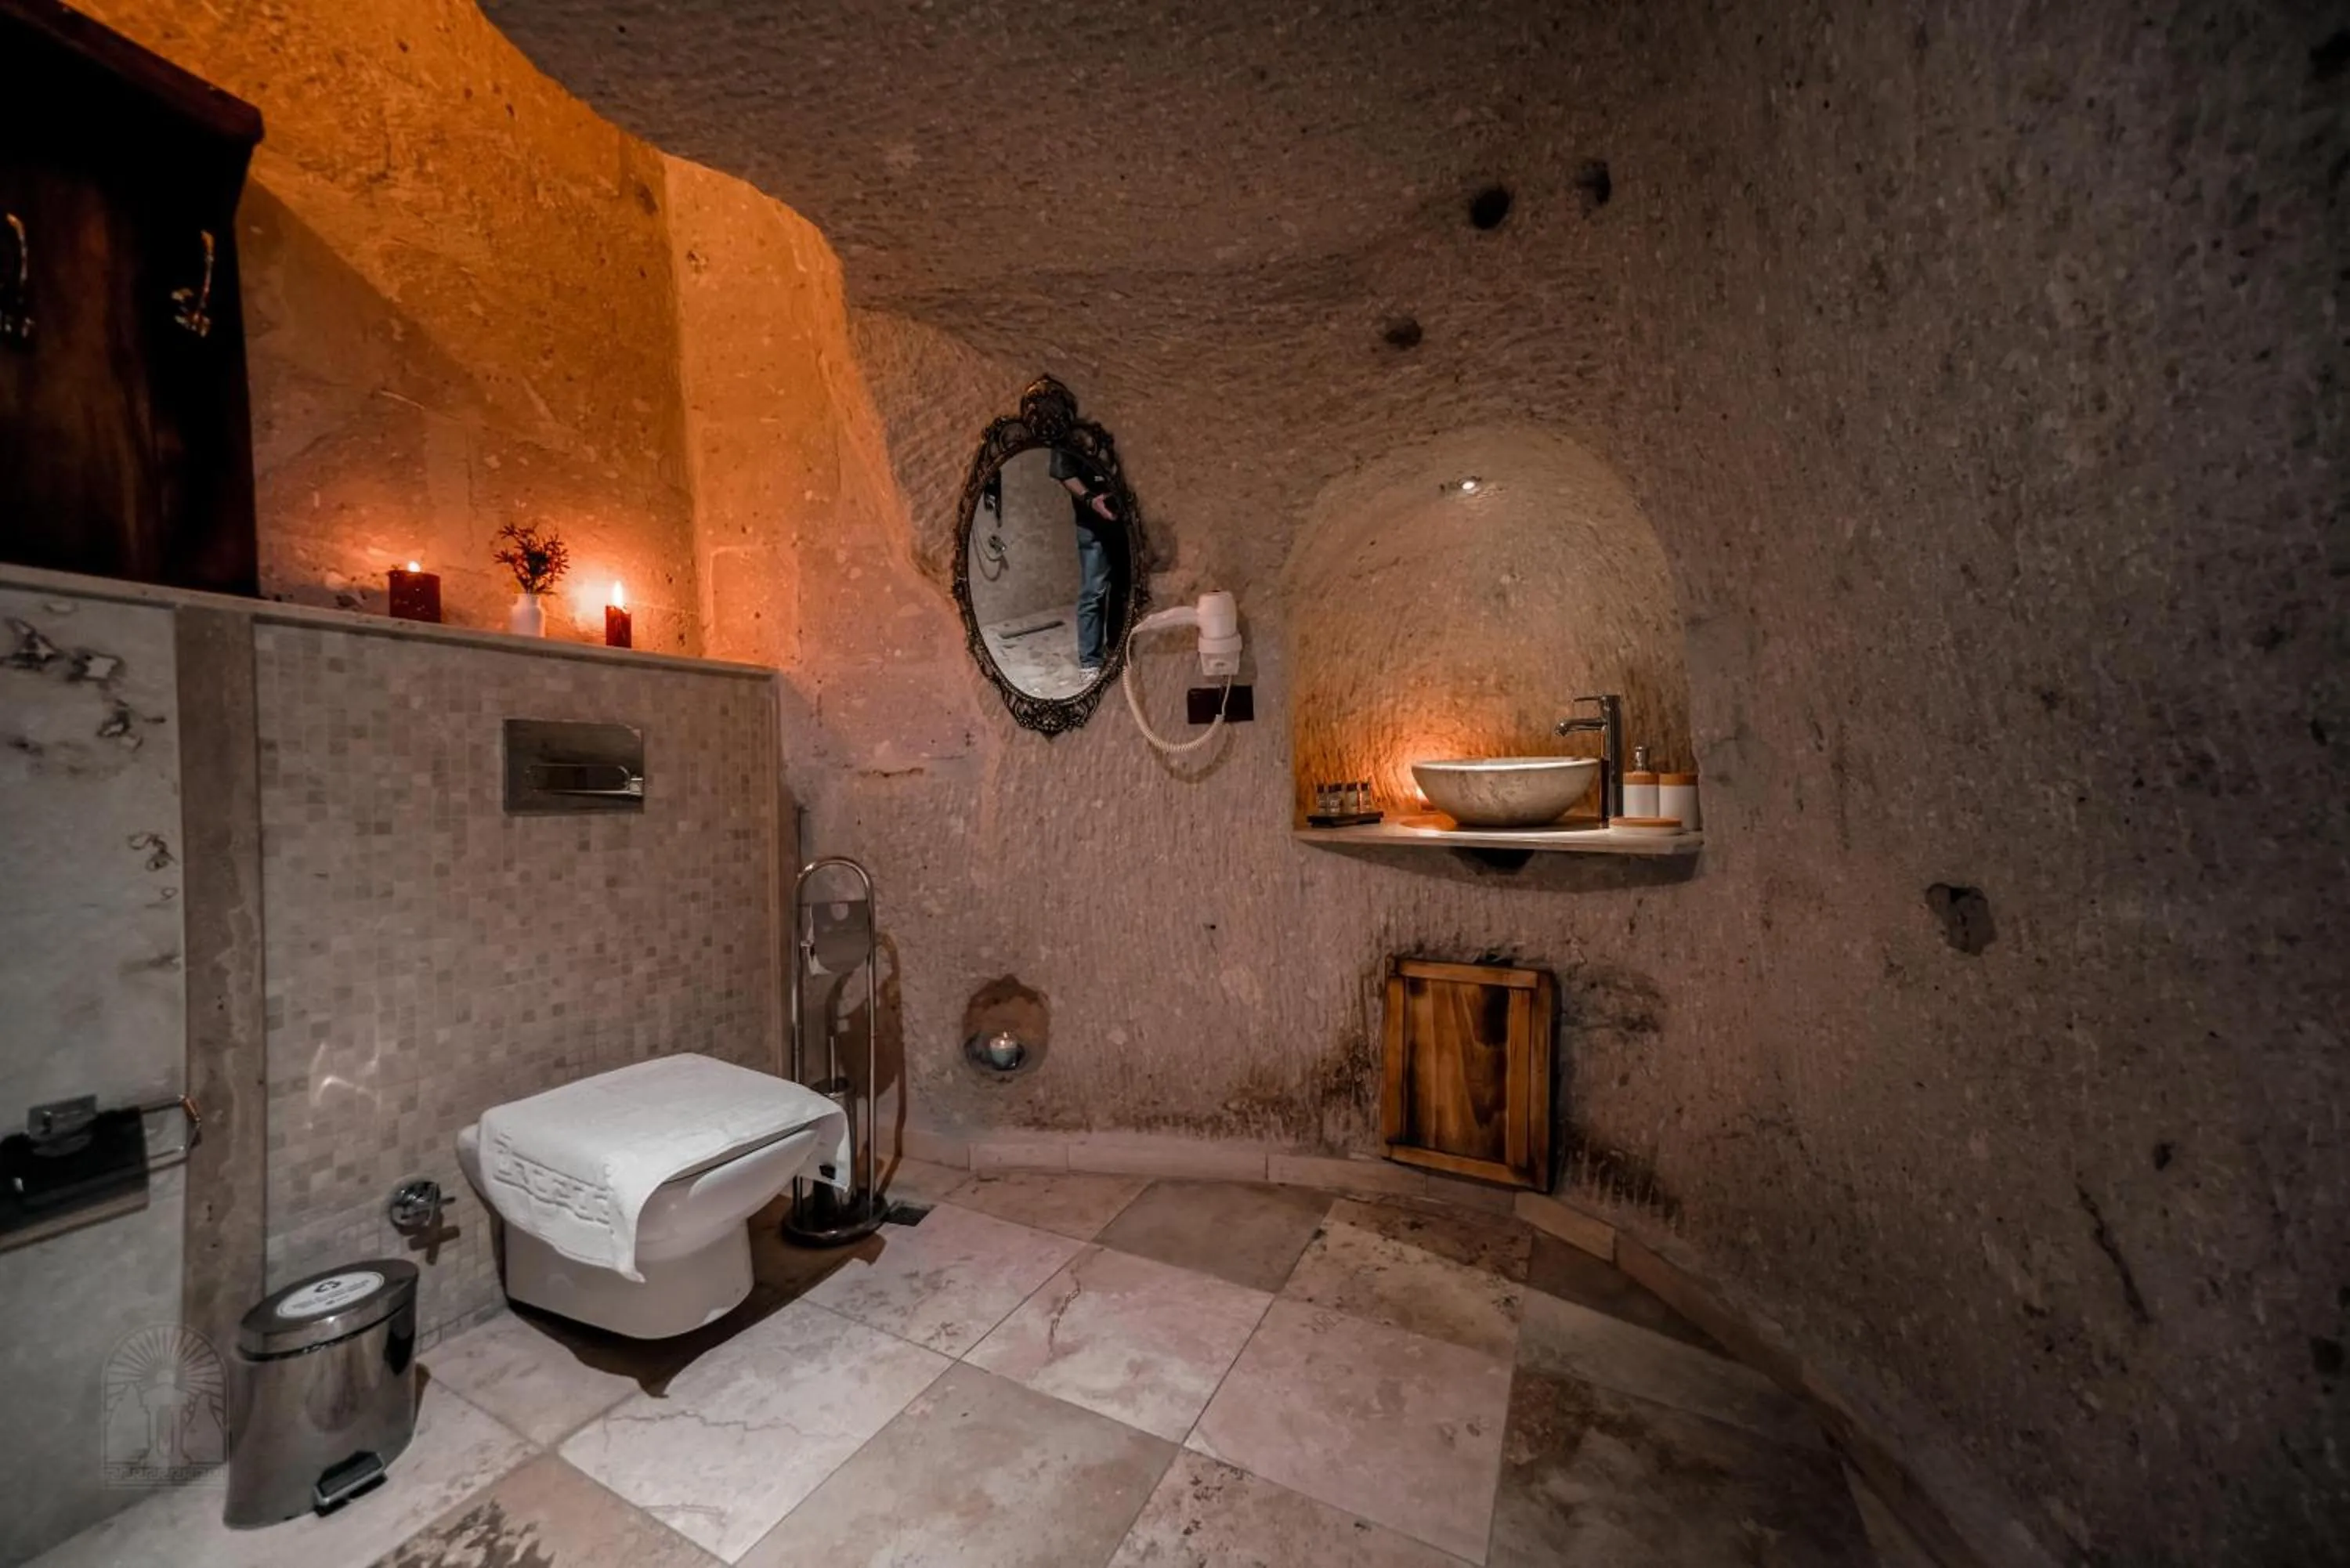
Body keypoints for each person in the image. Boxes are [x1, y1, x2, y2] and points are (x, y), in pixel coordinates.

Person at [1050, 447, 1120, 676]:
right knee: (1094, 590)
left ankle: (1116, 649)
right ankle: (1090, 662)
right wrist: (1090, 499)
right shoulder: (1070, 430)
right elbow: (1063, 471)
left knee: (1125, 586)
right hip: (1091, 520)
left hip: (1126, 517)